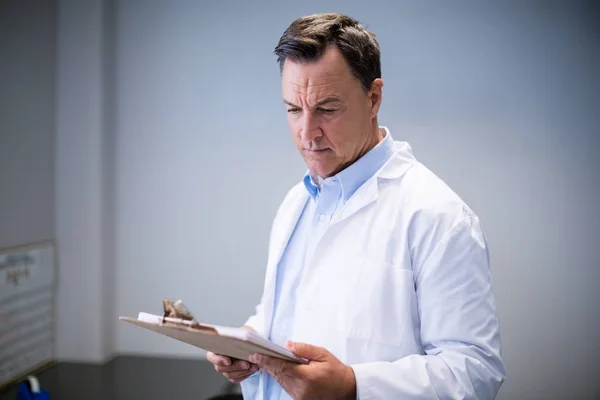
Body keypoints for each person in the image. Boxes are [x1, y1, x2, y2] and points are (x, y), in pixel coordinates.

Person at [206, 13, 506, 399]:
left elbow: (475, 371)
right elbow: (284, 314)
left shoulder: (438, 216)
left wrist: (354, 386)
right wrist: (247, 344)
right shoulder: (297, 202)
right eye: (293, 109)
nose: (307, 132)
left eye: (327, 109)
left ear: (374, 97)